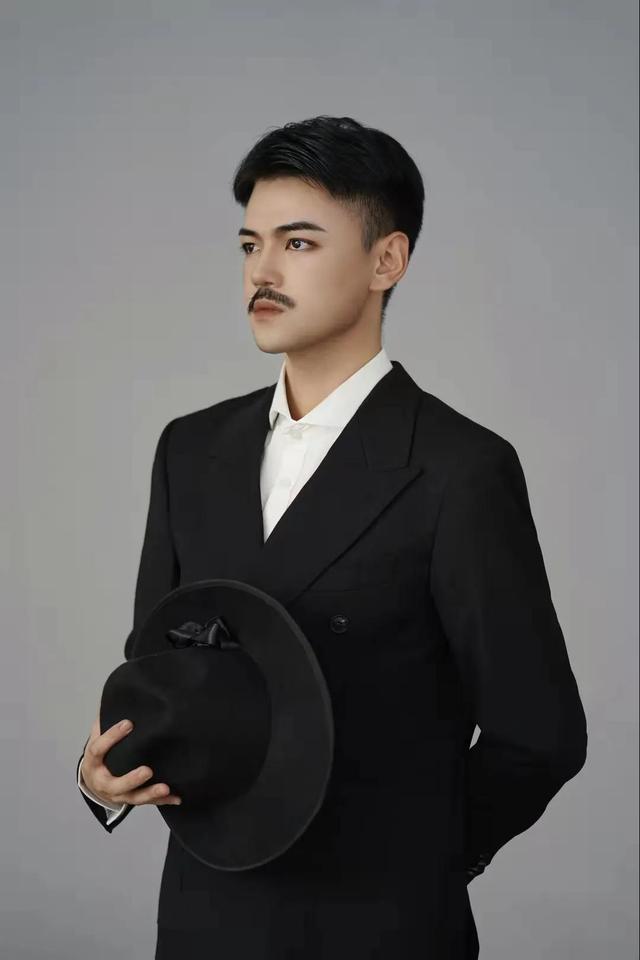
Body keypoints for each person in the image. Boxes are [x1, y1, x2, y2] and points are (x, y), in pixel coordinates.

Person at [76, 115, 588, 959]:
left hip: (378, 927)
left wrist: (420, 860)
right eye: (250, 245)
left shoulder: (459, 468)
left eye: (299, 243)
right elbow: (160, 671)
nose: (262, 271)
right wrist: (102, 773)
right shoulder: (190, 449)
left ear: (387, 261)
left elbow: (541, 735)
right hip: (206, 919)